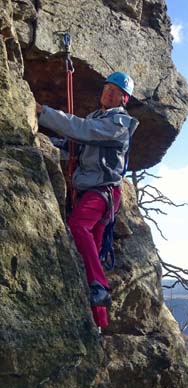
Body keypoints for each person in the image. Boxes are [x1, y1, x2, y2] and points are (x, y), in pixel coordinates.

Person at [36, 72, 139, 328]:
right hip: (93, 192)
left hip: (102, 192)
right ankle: (99, 323)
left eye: (115, 91)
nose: (108, 93)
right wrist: (44, 139)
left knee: (78, 226)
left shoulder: (119, 124)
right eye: (106, 88)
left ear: (123, 99)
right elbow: (76, 144)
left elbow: (84, 131)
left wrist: (44, 113)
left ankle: (100, 287)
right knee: (88, 254)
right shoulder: (98, 120)